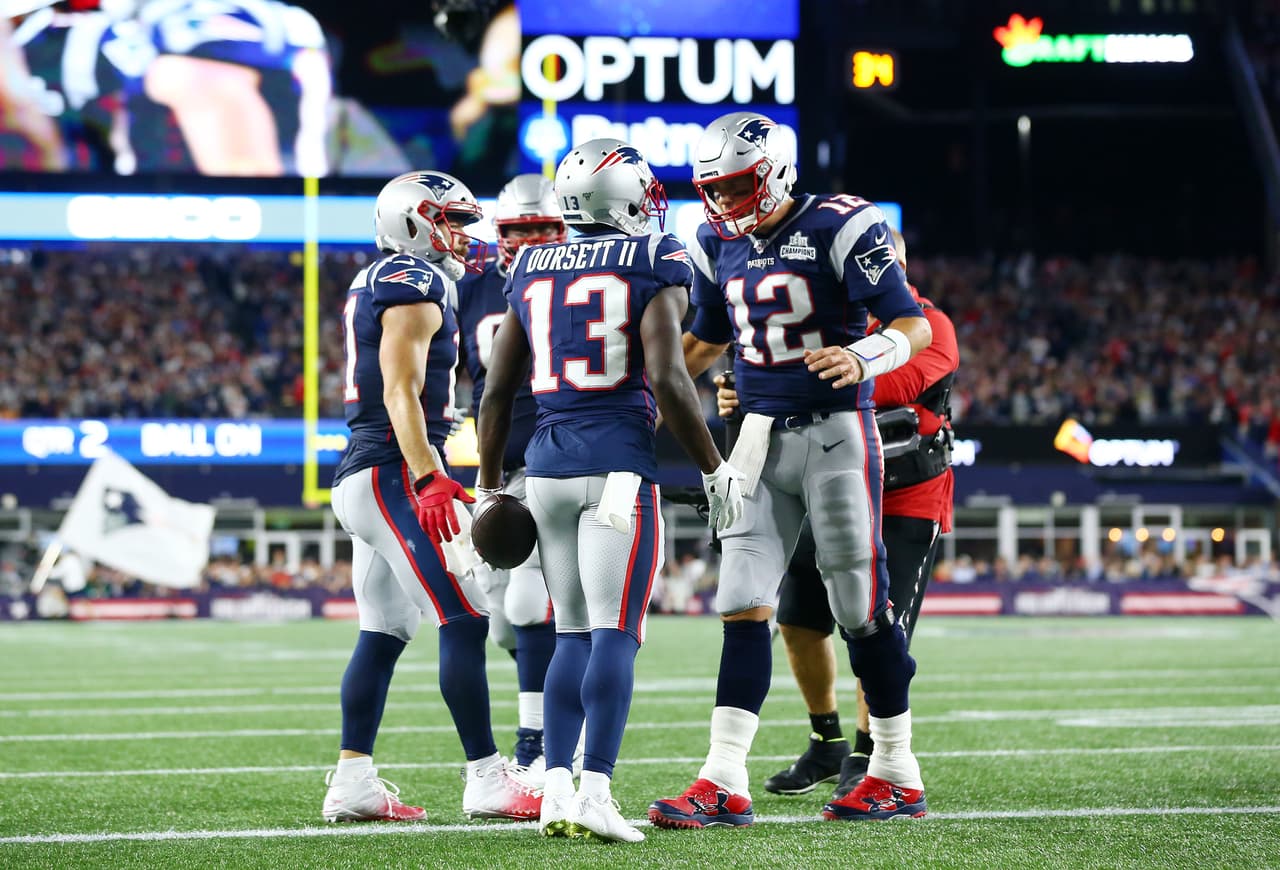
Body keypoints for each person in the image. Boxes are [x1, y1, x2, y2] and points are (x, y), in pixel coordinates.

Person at [648, 111, 933, 827]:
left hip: (835, 434)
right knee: (741, 602)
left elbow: (913, 324)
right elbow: (706, 339)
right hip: (756, 441)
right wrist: (644, 400)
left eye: (736, 185)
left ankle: (896, 771)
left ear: (775, 170)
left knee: (860, 609)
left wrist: (862, 356)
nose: (721, 202)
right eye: (711, 188)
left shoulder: (841, 224)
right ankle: (723, 779)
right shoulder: (712, 239)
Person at [477, 137, 743, 842]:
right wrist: (714, 468)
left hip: (546, 471)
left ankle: (557, 786)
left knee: (568, 635)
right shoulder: (654, 256)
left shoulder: (532, 262)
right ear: (625, 196)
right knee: (616, 635)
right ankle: (596, 788)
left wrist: (484, 486)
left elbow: (498, 389)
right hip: (618, 470)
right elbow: (668, 377)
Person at [321, 170, 539, 824]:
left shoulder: (385, 278)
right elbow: (399, 391)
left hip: (371, 471)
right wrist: (425, 474)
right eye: (450, 221)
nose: (462, 236)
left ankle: (352, 780)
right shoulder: (414, 282)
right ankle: (487, 779)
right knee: (466, 617)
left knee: (385, 630)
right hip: (392, 471)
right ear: (413, 222)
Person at [715, 229, 959, 801]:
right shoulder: (821, 317)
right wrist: (746, 393)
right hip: (820, 483)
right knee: (798, 619)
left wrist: (773, 385)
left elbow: (889, 382)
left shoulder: (928, 324)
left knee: (872, 620)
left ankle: (870, 752)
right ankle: (825, 739)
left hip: (904, 496)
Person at [456, 172, 565, 782]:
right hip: (494, 456)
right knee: (503, 623)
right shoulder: (473, 287)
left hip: (551, 451)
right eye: (518, 231)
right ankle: (545, 720)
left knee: (528, 601)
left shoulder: (576, 279)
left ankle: (538, 741)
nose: (528, 243)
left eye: (542, 229)